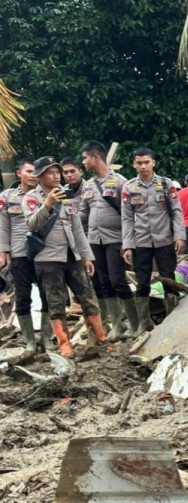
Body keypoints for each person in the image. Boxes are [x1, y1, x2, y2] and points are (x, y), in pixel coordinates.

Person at [24, 157, 106, 359]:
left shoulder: (67, 196)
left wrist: (87, 257)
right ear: (40, 176)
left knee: (89, 297)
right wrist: (48, 205)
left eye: (57, 172)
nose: (56, 176)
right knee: (56, 303)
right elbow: (32, 224)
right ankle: (64, 345)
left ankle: (100, 338)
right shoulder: (31, 198)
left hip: (72, 255)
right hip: (48, 258)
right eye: (51, 173)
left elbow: (77, 230)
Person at [77, 140, 138, 342]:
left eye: (85, 158)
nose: (83, 162)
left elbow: (130, 214)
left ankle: (135, 323)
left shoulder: (121, 182)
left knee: (118, 280)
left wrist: (128, 242)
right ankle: (118, 325)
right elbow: (83, 214)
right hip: (95, 241)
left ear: (96, 158)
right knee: (104, 283)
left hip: (115, 239)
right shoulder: (88, 185)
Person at [121, 147, 186, 333]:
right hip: (141, 243)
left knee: (168, 279)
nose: (143, 166)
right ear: (134, 165)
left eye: (146, 162)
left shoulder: (166, 184)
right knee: (142, 283)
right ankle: (145, 324)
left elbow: (176, 212)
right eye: (139, 163)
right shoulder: (129, 187)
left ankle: (173, 321)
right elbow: (126, 218)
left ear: (153, 163)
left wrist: (179, 236)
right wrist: (127, 246)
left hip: (164, 240)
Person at [0, 159, 52, 351]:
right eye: (28, 171)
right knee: (23, 297)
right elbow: (3, 225)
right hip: (19, 252)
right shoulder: (7, 196)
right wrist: (3, 250)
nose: (32, 175)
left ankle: (47, 338)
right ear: (18, 173)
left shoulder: (45, 194)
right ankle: (30, 341)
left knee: (48, 296)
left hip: (44, 252)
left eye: (35, 171)